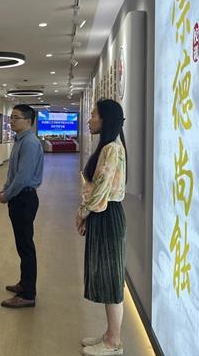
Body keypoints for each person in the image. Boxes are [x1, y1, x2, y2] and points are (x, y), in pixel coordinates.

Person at [76, 99, 127, 356]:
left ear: (106, 119)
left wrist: (82, 213)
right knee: (108, 278)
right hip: (103, 214)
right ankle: (109, 334)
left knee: (111, 280)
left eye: (94, 115)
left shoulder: (111, 149)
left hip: (107, 215)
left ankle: (114, 342)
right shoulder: (109, 146)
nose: (89, 120)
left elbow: (100, 192)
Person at [0, 104, 44, 308]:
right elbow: (13, 172)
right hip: (19, 197)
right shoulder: (20, 140)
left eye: (16, 117)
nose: (11, 121)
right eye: (11, 117)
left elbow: (23, 177)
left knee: (26, 246)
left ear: (28, 121)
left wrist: (6, 195)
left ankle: (28, 294)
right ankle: (24, 283)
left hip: (24, 199)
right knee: (22, 244)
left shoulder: (30, 143)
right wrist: (5, 189)